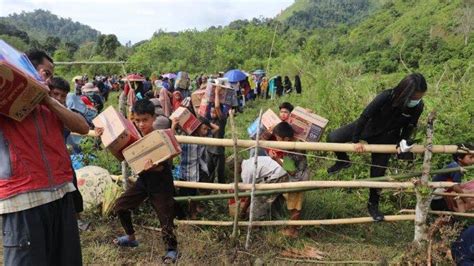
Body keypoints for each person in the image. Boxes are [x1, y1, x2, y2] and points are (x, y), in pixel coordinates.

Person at [0, 50, 88, 265]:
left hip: (60, 193)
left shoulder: (50, 106)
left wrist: (47, 99)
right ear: (25, 70)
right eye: (45, 74)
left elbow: (82, 127)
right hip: (21, 199)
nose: (48, 81)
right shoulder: (5, 103)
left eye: (50, 76)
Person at [326, 73, 427, 221]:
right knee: (333, 138)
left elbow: (410, 126)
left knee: (378, 173)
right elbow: (364, 116)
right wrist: (355, 141)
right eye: (415, 97)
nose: (417, 101)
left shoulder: (418, 107)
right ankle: (343, 161)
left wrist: (402, 142)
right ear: (405, 93)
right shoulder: (386, 97)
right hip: (367, 127)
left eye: (420, 97)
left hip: (387, 137)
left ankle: (373, 205)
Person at [104, 99, 179, 263]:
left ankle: (171, 249)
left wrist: (152, 166)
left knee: (165, 217)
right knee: (120, 206)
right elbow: (123, 157)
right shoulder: (133, 136)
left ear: (153, 118)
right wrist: (107, 139)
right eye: (137, 120)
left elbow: (162, 166)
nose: (141, 124)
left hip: (161, 182)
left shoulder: (158, 136)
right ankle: (131, 238)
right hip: (144, 180)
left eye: (145, 120)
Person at [173, 116, 219, 219]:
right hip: (185, 171)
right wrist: (175, 125)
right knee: (183, 195)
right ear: (197, 127)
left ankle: (192, 214)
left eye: (207, 129)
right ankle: (183, 215)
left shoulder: (203, 139)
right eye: (204, 128)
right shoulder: (185, 136)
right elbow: (172, 138)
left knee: (193, 195)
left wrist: (204, 121)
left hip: (195, 172)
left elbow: (216, 128)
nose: (206, 131)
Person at [270, 122, 309, 237]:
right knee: (295, 204)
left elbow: (291, 171)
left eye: (278, 139)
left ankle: (293, 231)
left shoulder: (289, 152)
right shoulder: (298, 143)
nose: (277, 141)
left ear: (286, 139)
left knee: (294, 207)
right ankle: (295, 226)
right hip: (303, 176)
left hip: (297, 180)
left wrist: (276, 159)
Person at [431, 143, 474, 211]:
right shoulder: (455, 168)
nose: (473, 160)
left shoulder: (454, 165)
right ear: (459, 158)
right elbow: (456, 186)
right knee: (467, 192)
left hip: (440, 196)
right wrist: (467, 202)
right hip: (437, 199)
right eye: (470, 157)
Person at [207, 84, 228, 184]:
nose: (212, 113)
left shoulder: (222, 119)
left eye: (214, 111)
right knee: (209, 171)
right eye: (211, 111)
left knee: (220, 173)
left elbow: (217, 106)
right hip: (209, 150)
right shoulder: (210, 120)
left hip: (218, 151)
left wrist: (216, 92)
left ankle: (222, 192)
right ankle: (209, 191)